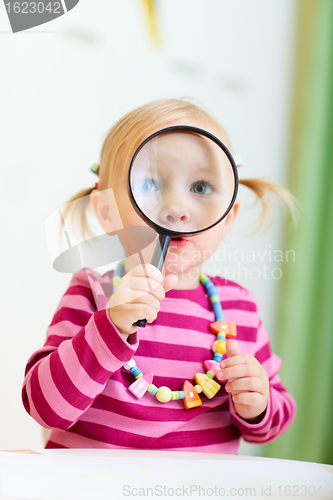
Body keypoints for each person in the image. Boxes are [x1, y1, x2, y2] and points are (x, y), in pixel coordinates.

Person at [22, 98, 296, 452]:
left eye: (199, 188)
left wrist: (259, 405)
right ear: (106, 212)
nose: (176, 210)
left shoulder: (238, 307)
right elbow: (44, 408)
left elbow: (269, 427)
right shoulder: (93, 292)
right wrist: (110, 328)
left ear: (228, 218)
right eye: (149, 185)